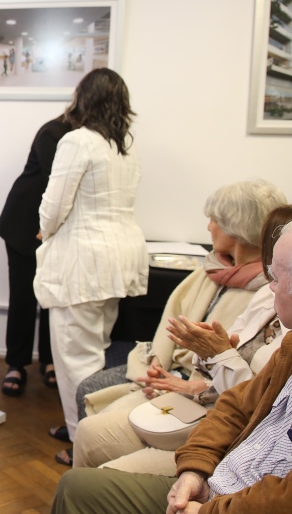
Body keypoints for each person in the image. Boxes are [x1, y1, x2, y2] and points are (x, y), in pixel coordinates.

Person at [51, 221, 292, 514]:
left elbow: (279, 499)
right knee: (77, 478)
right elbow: (237, 405)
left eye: (277, 277)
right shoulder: (287, 341)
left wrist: (204, 510)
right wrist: (195, 469)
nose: (270, 286)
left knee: (98, 477)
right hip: (218, 462)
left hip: (230, 490)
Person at [72, 182, 286, 473]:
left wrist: (191, 380)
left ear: (235, 226)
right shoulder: (217, 270)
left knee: (99, 437)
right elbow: (173, 323)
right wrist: (158, 365)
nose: (208, 227)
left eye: (214, 219)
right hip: (185, 378)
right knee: (90, 415)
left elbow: (236, 372)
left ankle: (95, 476)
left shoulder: (265, 293)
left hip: (206, 398)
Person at [32, 68, 148, 465]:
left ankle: (85, 444)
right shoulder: (124, 147)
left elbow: (54, 205)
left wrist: (45, 231)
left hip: (82, 265)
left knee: (74, 360)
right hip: (117, 262)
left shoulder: (78, 140)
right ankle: (87, 429)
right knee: (95, 352)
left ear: (84, 99)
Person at [0, 115, 72, 395]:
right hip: (24, 224)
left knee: (54, 297)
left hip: (56, 228)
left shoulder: (87, 137)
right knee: (23, 297)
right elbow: (58, 183)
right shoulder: (52, 133)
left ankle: (50, 361)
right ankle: (16, 364)